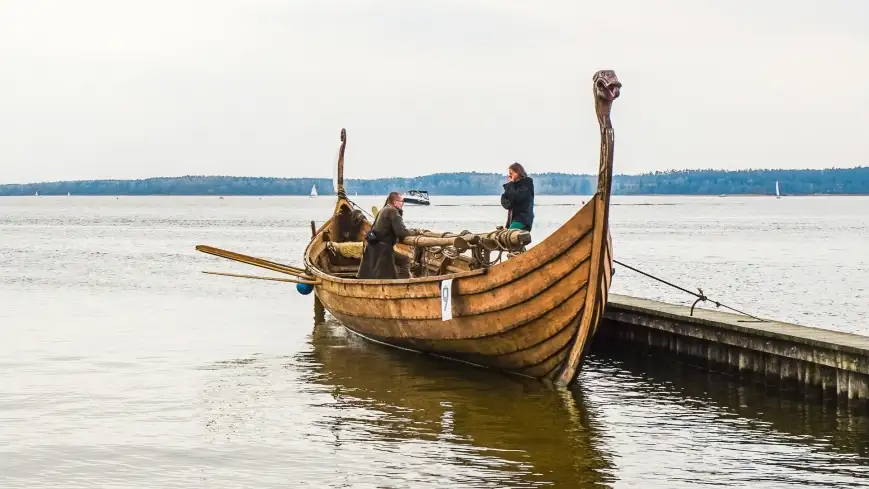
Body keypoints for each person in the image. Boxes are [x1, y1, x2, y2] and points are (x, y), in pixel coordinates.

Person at [357, 192, 417, 279]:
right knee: (405, 260)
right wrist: (415, 232)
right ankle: (403, 283)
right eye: (402, 201)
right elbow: (401, 232)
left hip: (373, 248)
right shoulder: (393, 211)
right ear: (395, 202)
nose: (403, 204)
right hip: (383, 251)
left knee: (402, 260)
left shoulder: (383, 210)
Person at [500, 162, 534, 231]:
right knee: (505, 234)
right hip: (512, 219)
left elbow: (518, 197)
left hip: (523, 219)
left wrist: (510, 184)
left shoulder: (527, 183)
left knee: (509, 234)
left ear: (517, 172)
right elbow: (505, 202)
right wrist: (511, 201)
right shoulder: (512, 186)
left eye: (511, 173)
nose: (509, 176)